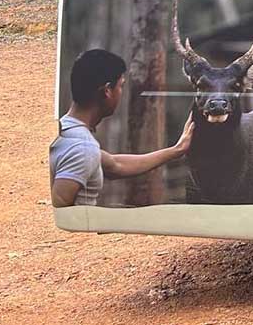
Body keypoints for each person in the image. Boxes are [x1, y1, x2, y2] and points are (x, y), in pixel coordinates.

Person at [50, 49, 193, 207]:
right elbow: (58, 208)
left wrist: (177, 150)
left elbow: (115, 165)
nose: (121, 93)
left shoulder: (66, 130)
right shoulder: (83, 148)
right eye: (120, 86)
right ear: (107, 91)